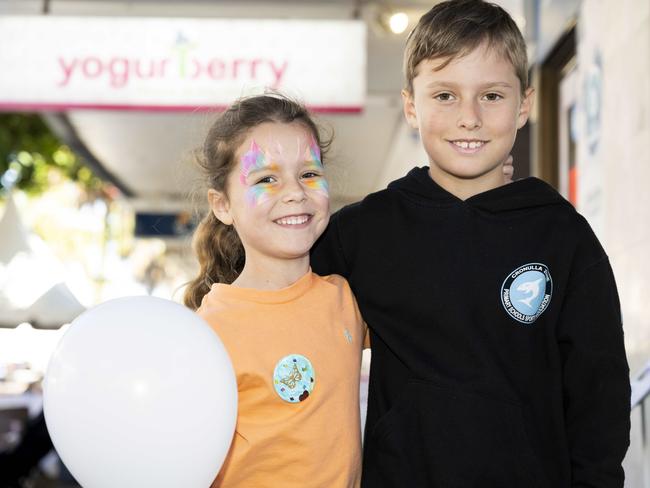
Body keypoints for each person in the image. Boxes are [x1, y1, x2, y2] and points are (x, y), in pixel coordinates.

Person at [311, 1, 631, 487]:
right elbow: (282, 304)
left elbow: (598, 396)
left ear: (523, 104)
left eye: (492, 96)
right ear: (411, 106)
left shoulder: (563, 237)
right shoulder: (364, 231)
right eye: (444, 95)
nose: (469, 118)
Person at [183, 94, 367, 487]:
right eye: (266, 178)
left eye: (309, 174)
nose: (295, 193)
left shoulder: (345, 300)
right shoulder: (208, 332)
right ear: (222, 205)